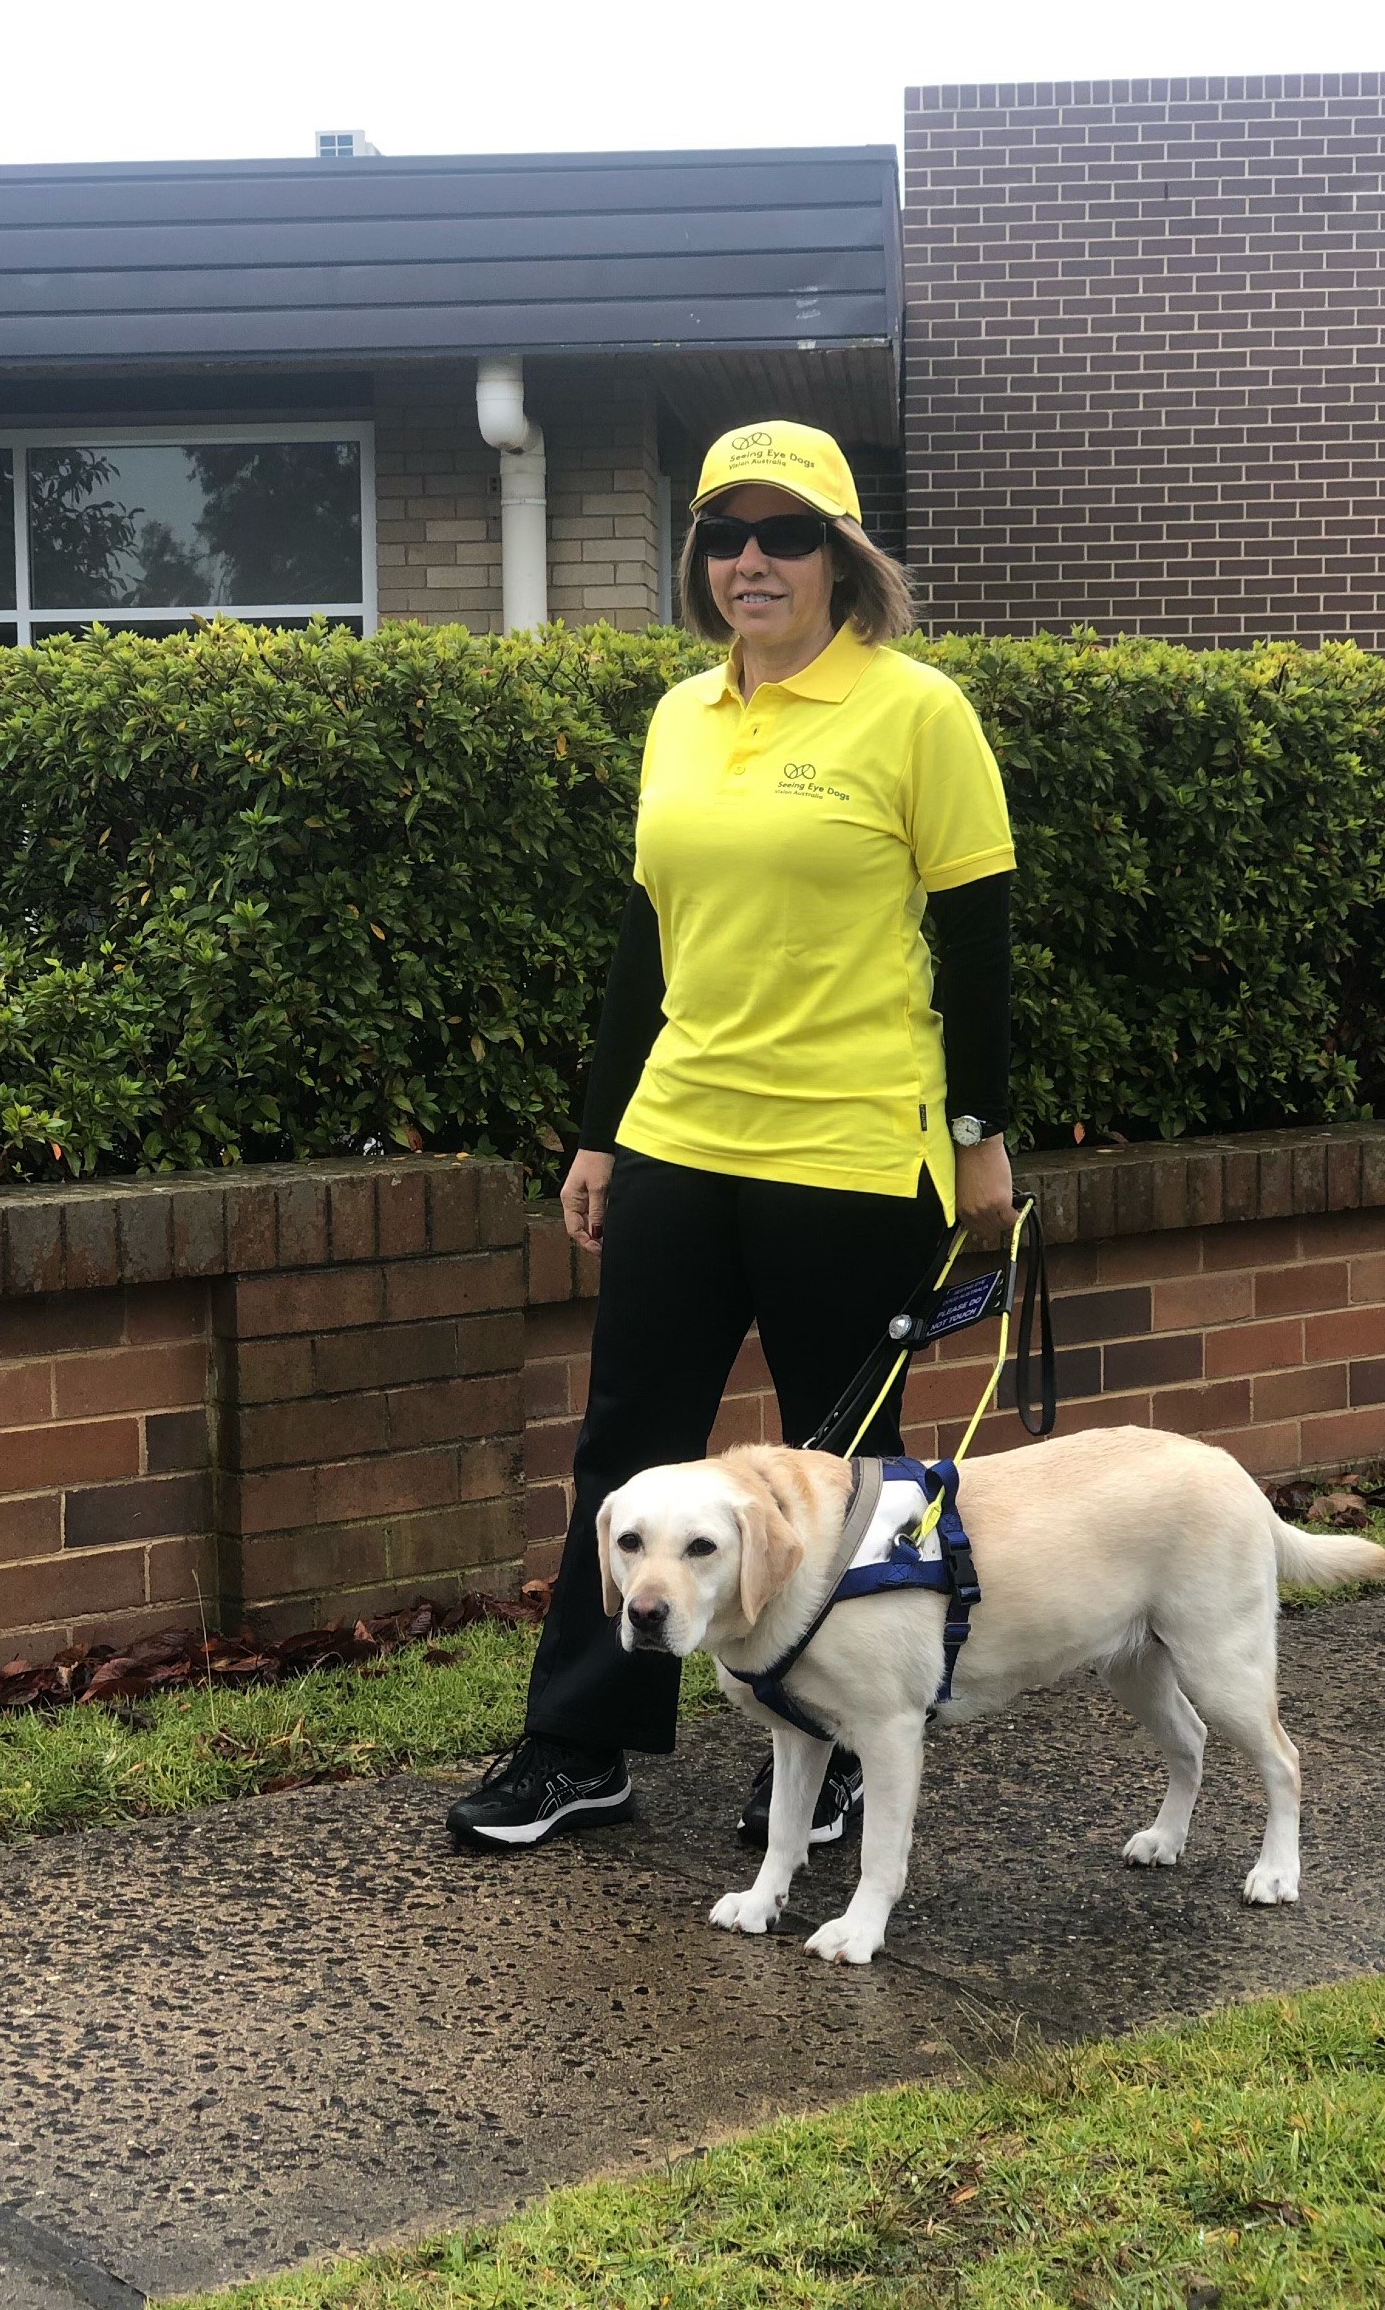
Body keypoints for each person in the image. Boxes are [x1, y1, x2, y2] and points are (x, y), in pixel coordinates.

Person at [447, 420, 1018, 1853]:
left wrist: (978, 1136)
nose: (752, 560)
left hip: (850, 1150)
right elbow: (648, 941)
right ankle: (581, 1742)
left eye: (786, 534)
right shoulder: (679, 719)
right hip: (682, 1141)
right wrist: (597, 1136)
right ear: (699, 557)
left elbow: (983, 947)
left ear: (842, 557)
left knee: (858, 1476)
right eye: (724, 535)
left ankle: (846, 1744)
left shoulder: (916, 712)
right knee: (628, 1453)